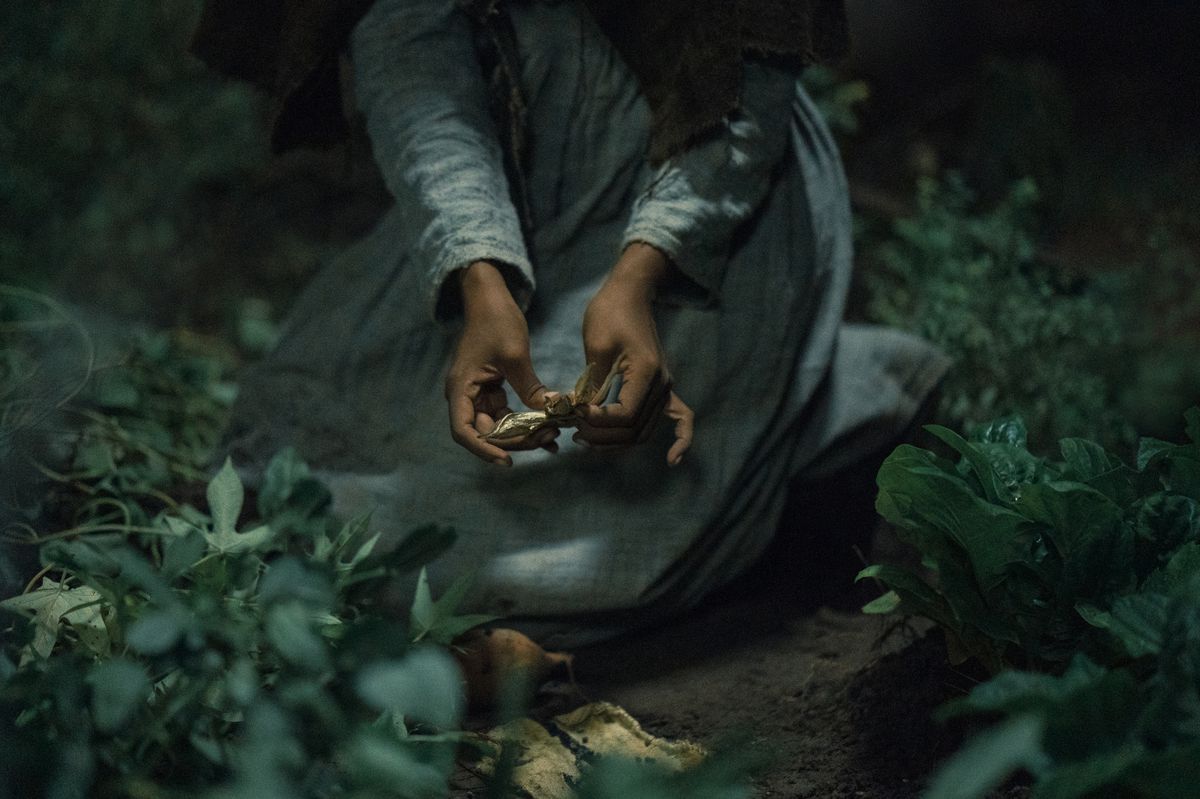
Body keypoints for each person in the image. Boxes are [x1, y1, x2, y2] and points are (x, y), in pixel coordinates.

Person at [219, 0, 948, 644]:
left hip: (699, 191)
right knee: (286, 464)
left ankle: (842, 406)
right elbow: (413, 52)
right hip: (521, 183)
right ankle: (810, 406)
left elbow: (748, 80)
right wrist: (481, 273)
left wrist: (637, 276)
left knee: (538, 551)